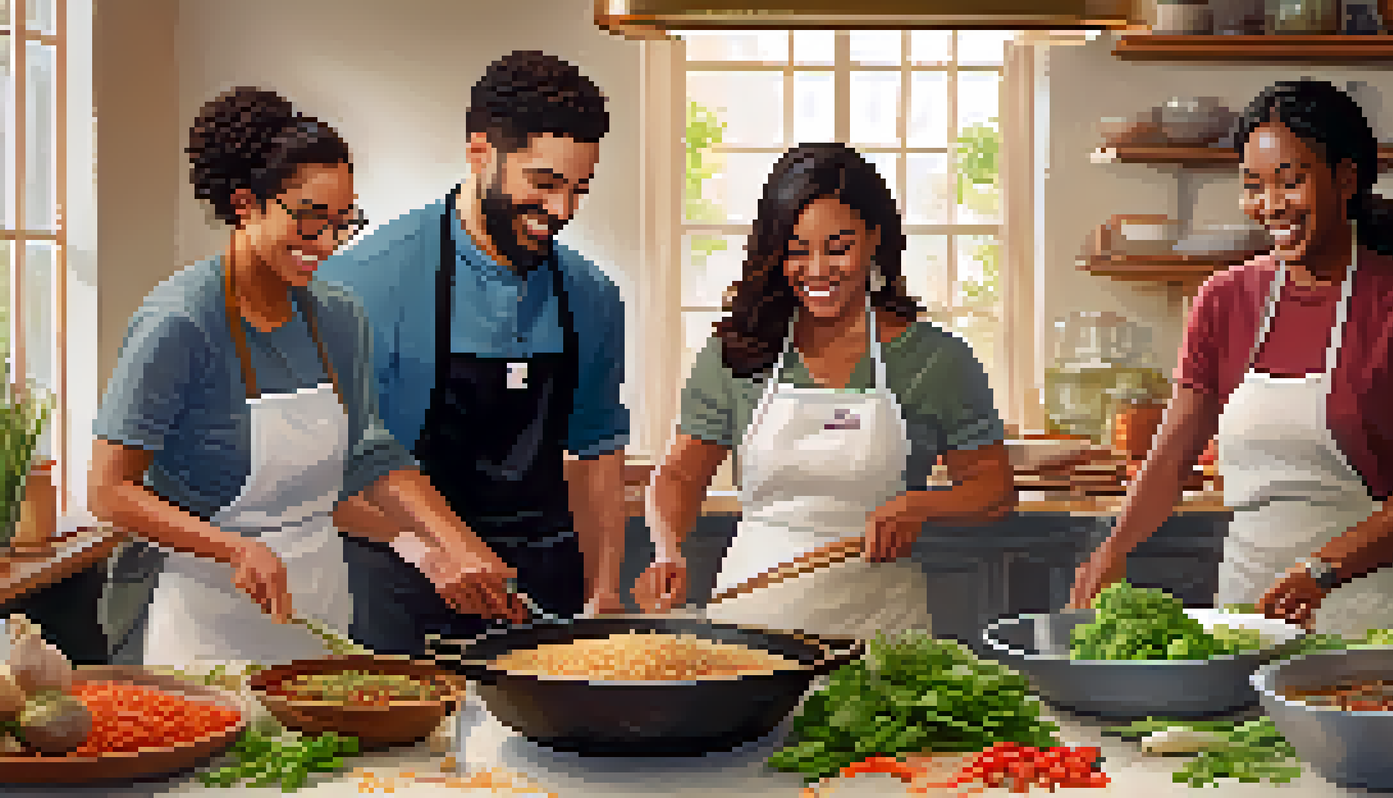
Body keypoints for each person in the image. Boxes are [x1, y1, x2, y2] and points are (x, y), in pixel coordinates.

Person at [89, 88, 523, 668]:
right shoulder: (181, 322)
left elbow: (367, 458)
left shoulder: (339, 318)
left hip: (315, 605)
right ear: (246, 205)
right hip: (199, 610)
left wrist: (455, 547)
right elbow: (108, 491)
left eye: (343, 223)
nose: (327, 243)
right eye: (310, 218)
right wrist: (235, 550)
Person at [1068, 79, 1393, 637]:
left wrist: (1319, 572)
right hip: (1247, 609)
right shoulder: (1223, 299)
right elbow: (1173, 452)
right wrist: (1113, 548)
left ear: (1346, 179)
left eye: (1290, 181)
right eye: (1253, 186)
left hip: (1369, 613)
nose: (1270, 205)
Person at [630, 143, 1016, 639]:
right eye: (796, 250)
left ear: (874, 238)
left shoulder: (936, 359)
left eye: (838, 247)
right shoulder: (740, 350)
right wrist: (667, 551)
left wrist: (921, 505)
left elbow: (994, 489)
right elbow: (681, 475)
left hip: (880, 638)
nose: (816, 269)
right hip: (751, 630)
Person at [315, 52, 630, 655]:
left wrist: (605, 593)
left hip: (545, 596)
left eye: (579, 189)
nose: (562, 211)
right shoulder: (363, 285)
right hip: (402, 594)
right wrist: (430, 547)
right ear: (481, 153)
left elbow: (596, 451)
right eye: (543, 184)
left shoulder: (592, 295)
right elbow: (329, 471)